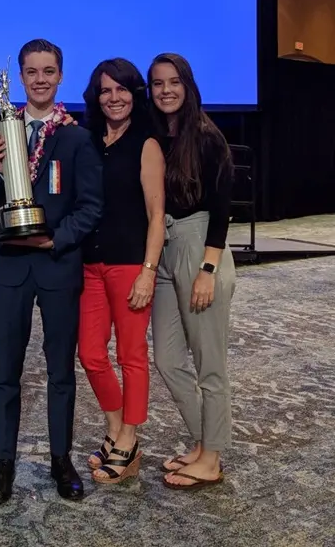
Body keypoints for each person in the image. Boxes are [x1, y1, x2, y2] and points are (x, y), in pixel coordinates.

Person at [0, 39, 104, 504]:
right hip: (11, 267)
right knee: (5, 372)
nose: (39, 79)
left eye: (48, 71)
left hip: (57, 266)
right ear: (19, 75)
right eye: (31, 71)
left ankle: (61, 459)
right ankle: (4, 460)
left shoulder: (77, 137)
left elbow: (91, 206)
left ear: (60, 76)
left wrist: (57, 239)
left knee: (60, 372)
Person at [147, 53, 236, 490]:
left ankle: (212, 458)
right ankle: (202, 441)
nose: (166, 90)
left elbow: (222, 209)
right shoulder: (160, 136)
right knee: (166, 358)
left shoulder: (206, 136)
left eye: (174, 82)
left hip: (200, 248)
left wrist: (208, 269)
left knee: (210, 364)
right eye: (158, 83)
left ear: (188, 84)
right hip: (164, 248)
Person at [78, 58, 165, 484]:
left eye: (122, 90)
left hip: (130, 263)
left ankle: (128, 439)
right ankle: (115, 427)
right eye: (105, 90)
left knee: (131, 356)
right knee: (90, 354)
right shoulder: (89, 138)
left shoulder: (146, 143)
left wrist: (148, 271)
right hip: (89, 265)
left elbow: (156, 214)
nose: (113, 98)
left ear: (135, 94)